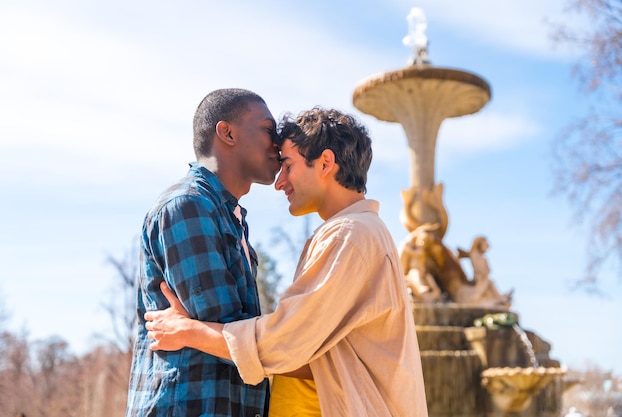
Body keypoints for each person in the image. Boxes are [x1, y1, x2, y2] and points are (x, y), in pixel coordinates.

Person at [145, 107, 429, 417]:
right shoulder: (357, 232)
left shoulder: (350, 235)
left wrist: (187, 331)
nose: (280, 182)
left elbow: (287, 344)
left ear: (325, 163)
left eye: (288, 165)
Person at [125, 88, 281, 417]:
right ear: (227, 133)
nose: (278, 143)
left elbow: (236, 338)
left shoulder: (229, 216)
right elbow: (233, 335)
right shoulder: (188, 205)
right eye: (269, 129)